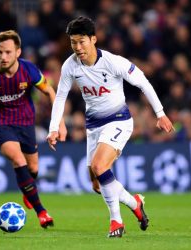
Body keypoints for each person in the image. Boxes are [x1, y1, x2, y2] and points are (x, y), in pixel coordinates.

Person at [47, 17, 174, 237]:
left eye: (82, 41)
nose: (78, 47)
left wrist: (160, 113)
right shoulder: (70, 65)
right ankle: (135, 204)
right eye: (73, 42)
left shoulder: (114, 62)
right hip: (93, 125)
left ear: (93, 39)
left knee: (99, 165)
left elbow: (142, 81)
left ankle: (116, 222)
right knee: (97, 184)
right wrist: (54, 128)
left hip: (118, 120)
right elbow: (60, 97)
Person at [0, 30, 66, 228]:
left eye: (8, 52)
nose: (3, 57)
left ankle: (28, 192)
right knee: (18, 159)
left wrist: (59, 123)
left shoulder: (29, 70)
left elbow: (50, 91)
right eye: (0, 52)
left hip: (25, 122)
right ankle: (42, 212)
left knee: (33, 168)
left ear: (18, 52)